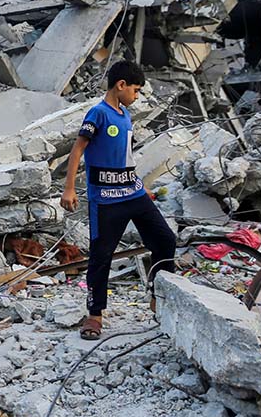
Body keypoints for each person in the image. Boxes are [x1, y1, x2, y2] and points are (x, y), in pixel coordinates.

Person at [60, 60, 176, 339]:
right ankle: (94, 315)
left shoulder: (125, 115)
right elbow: (77, 151)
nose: (136, 97)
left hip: (133, 193)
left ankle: (158, 297)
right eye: (135, 90)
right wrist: (69, 189)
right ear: (121, 85)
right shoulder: (98, 114)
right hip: (106, 200)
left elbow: (125, 158)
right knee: (101, 257)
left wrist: (140, 187)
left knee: (166, 241)